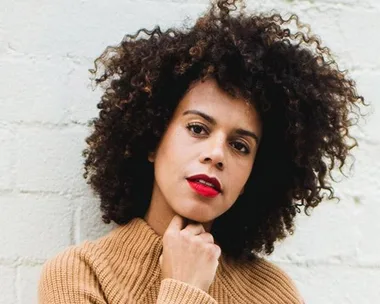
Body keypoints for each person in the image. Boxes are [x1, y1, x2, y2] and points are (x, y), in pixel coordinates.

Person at [38, 0, 365, 303]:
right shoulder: (82, 274)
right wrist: (186, 288)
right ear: (153, 140)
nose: (216, 154)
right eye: (197, 128)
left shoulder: (272, 293)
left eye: (240, 145)